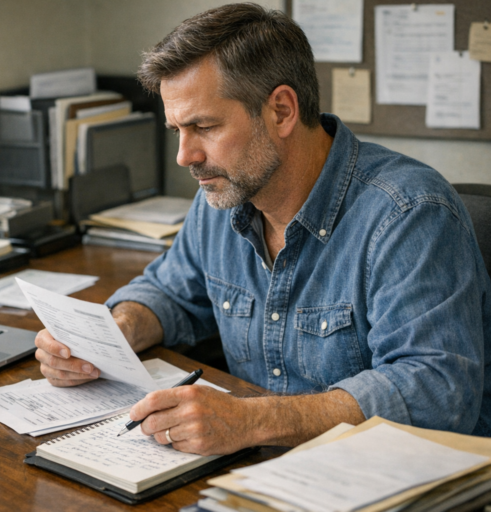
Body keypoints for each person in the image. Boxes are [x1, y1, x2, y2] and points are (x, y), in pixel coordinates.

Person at [35, 3, 491, 456]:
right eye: (177, 129)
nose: (184, 156)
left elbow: (435, 390)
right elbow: (171, 291)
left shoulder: (408, 214)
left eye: (204, 126)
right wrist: (113, 334)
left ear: (281, 110)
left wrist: (251, 420)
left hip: (396, 477)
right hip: (261, 470)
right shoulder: (221, 197)